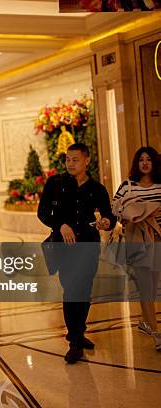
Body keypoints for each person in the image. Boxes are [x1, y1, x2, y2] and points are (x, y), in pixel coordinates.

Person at [37, 143, 116, 364]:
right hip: (64, 245)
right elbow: (42, 212)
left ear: (86, 160)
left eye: (75, 159)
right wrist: (60, 224)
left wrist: (107, 222)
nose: (70, 164)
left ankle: (79, 333)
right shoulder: (55, 183)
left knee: (85, 290)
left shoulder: (97, 188)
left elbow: (109, 216)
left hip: (89, 244)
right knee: (72, 289)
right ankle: (74, 341)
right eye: (67, 159)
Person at [112, 147, 161, 350]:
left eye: (148, 159)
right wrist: (130, 211)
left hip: (157, 239)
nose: (145, 163)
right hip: (136, 240)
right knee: (145, 287)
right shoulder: (128, 186)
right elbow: (115, 207)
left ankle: (144, 322)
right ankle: (156, 333)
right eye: (141, 159)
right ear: (136, 163)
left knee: (153, 283)